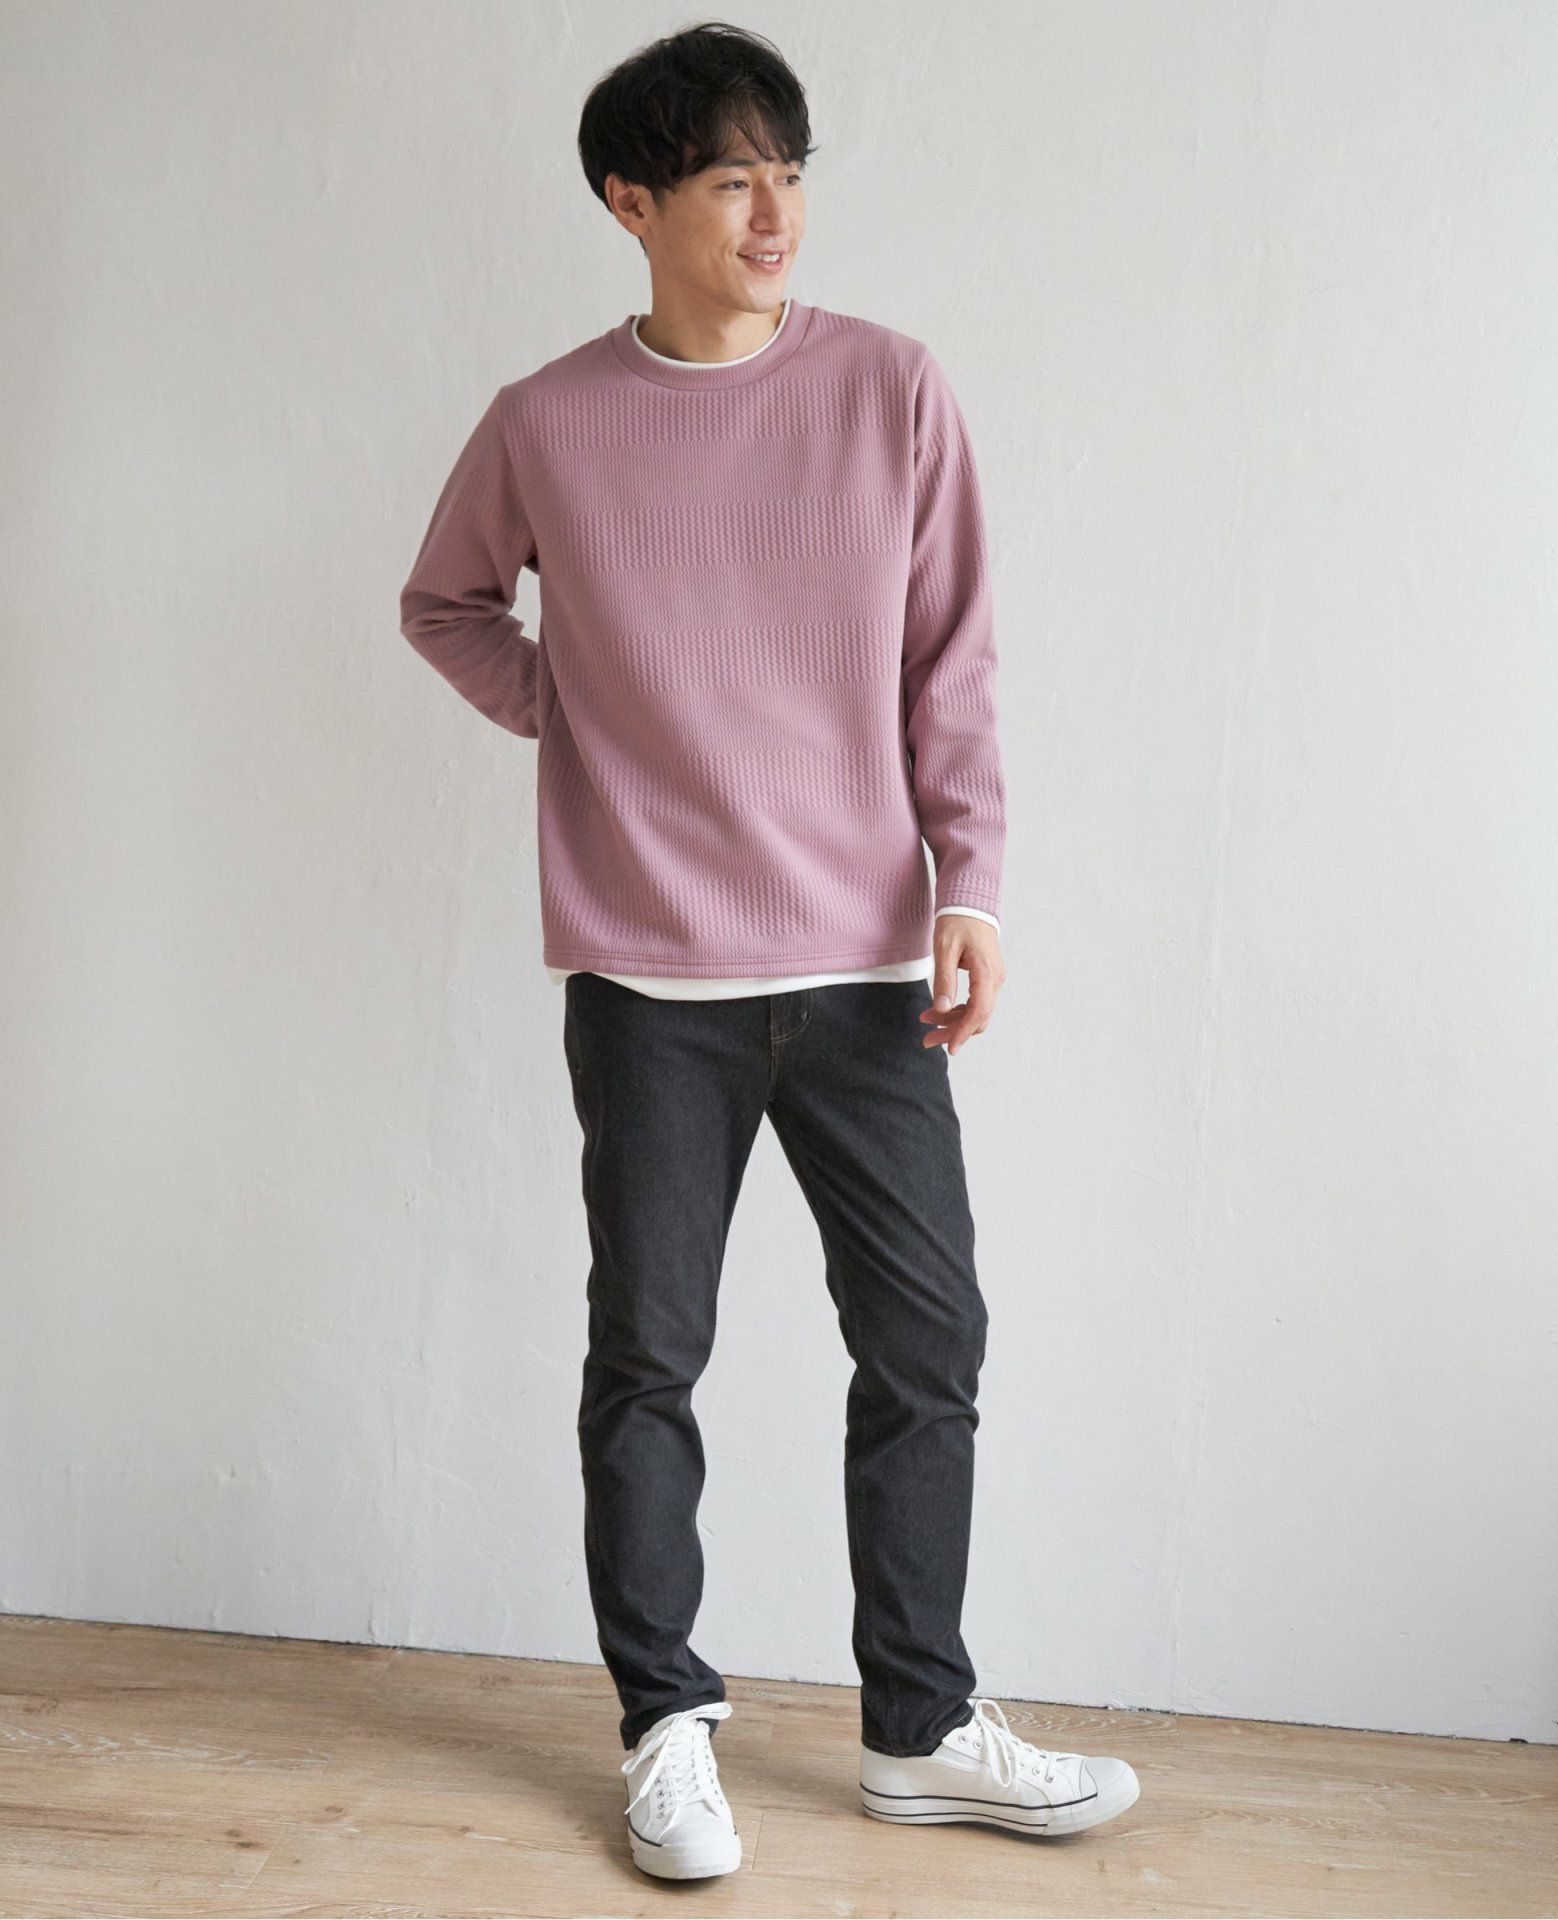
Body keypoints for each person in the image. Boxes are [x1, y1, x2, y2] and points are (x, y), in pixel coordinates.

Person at [398, 18, 1140, 1883]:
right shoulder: (548, 420)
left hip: (868, 971)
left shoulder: (890, 390)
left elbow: (950, 660)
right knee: (649, 1359)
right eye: (731, 177)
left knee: (930, 1341)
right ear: (629, 200)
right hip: (653, 985)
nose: (774, 212)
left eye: (790, 172)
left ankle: (920, 1728)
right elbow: (446, 603)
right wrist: (583, 713)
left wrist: (971, 885)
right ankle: (667, 1726)